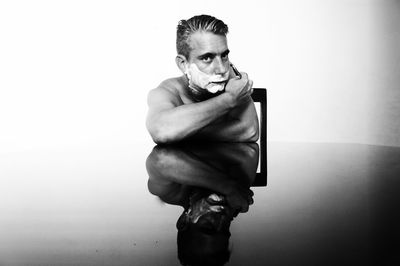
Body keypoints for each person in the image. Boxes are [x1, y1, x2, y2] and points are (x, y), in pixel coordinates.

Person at [146, 15, 259, 144]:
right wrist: (230, 99)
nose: (221, 69)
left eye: (224, 56)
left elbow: (250, 131)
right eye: (207, 58)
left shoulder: (232, 81)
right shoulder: (168, 91)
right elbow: (161, 130)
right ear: (183, 64)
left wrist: (181, 133)